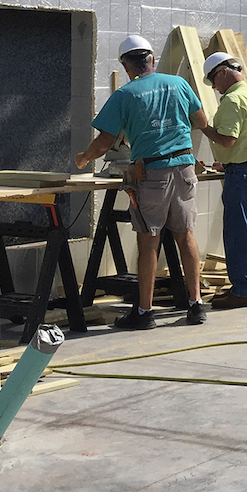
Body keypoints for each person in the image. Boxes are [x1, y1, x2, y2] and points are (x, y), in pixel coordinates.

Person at [75, 34, 209, 329]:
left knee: (149, 240)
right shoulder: (178, 84)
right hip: (185, 167)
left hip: (153, 173)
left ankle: (144, 312)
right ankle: (196, 304)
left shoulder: (126, 95)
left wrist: (84, 158)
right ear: (151, 59)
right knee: (185, 235)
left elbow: (105, 141)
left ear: (126, 65)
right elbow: (201, 121)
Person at [196, 52, 247, 310]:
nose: (214, 87)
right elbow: (246, 140)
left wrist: (203, 125)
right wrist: (228, 161)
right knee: (246, 233)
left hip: (243, 175)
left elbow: (228, 139)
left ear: (224, 72)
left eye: (213, 81)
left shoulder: (232, 100)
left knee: (238, 234)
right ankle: (244, 286)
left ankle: (245, 291)